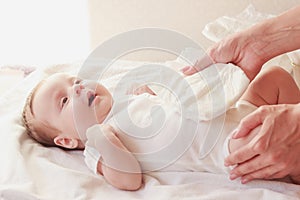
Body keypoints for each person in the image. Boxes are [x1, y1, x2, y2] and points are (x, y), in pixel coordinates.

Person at [22, 62, 300, 190]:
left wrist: (152, 93)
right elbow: (128, 179)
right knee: (262, 141)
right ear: (67, 141)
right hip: (227, 142)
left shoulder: (125, 99)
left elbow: (172, 104)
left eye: (75, 81)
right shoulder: (98, 143)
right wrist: (105, 141)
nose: (79, 88)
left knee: (274, 76)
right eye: (64, 100)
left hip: (236, 111)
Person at [181, 5, 300, 184]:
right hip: (232, 131)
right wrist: (257, 44)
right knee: (276, 77)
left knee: (274, 80)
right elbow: (129, 178)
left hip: (231, 137)